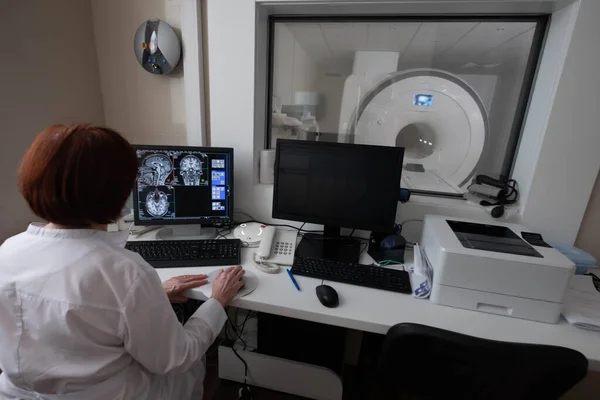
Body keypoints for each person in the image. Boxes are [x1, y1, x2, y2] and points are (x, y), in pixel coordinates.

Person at [0, 124, 245, 399]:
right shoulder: (126, 271)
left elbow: (70, 315)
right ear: (119, 193)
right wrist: (217, 302)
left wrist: (154, 297)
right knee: (191, 368)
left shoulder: (8, 251)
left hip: (19, 394)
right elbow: (175, 358)